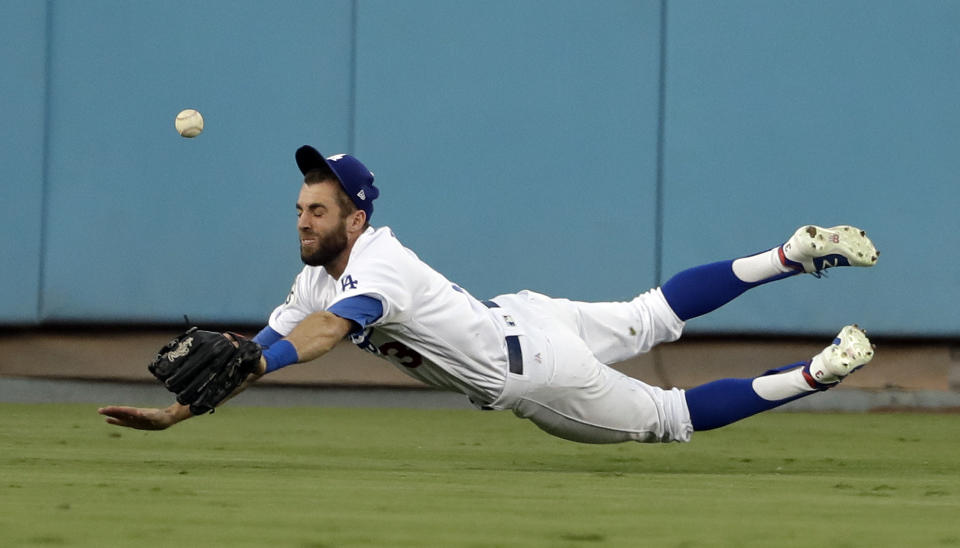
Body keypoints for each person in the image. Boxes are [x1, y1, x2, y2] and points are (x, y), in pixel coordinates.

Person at [99, 146, 879, 443]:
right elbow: (262, 351)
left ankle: (820, 373)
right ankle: (791, 255)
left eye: (318, 208)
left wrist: (253, 359)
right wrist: (179, 411)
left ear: (355, 216)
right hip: (524, 315)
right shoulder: (315, 278)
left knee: (669, 418)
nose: (302, 219)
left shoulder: (379, 265)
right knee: (653, 315)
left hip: (534, 373)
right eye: (301, 206)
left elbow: (329, 335)